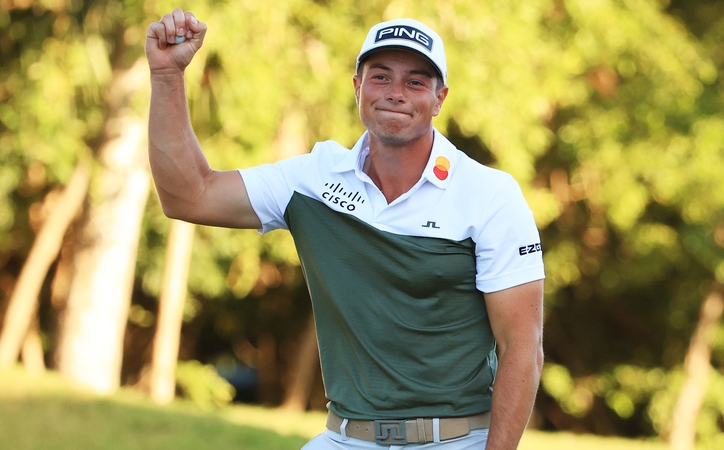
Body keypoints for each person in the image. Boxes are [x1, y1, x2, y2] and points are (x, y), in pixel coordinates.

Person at [146, 9, 545, 450]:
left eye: (415, 82)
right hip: (345, 438)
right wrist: (167, 76)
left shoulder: (489, 195)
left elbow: (521, 347)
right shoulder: (313, 179)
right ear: (357, 87)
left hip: (457, 441)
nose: (395, 93)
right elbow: (188, 195)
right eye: (380, 77)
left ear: (439, 98)